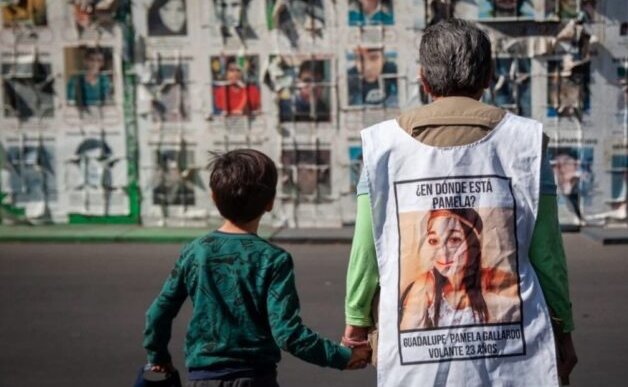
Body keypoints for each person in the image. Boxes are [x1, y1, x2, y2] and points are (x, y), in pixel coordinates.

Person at [344, 19, 576, 386]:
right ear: (489, 77)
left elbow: (366, 250)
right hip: (512, 354)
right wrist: (561, 328)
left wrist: (357, 323)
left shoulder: (382, 147)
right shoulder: (527, 143)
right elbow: (547, 254)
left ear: (423, 80)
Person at [143, 149, 369, 385]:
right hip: (255, 378)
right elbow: (288, 334)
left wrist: (158, 356)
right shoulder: (273, 259)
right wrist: (343, 357)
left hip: (202, 378)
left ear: (213, 197)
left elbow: (158, 313)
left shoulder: (195, 252)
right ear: (270, 203)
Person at [399, 208, 520, 329]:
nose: (443, 254)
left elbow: (523, 289)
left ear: (472, 244)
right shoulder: (426, 284)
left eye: (454, 240)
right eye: (434, 240)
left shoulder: (486, 278)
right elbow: (409, 333)